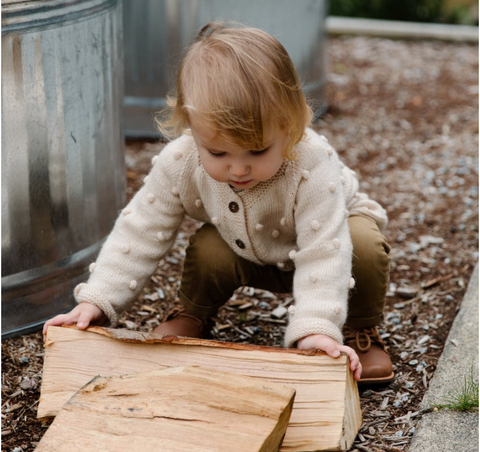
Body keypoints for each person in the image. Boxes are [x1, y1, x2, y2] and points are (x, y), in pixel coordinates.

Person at [43, 22, 393, 384]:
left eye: (257, 150)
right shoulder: (181, 162)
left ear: (289, 126)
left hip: (335, 246)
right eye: (218, 151)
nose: (238, 167)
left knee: (362, 246)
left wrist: (316, 330)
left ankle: (359, 330)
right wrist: (97, 301)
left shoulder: (311, 162)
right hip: (248, 250)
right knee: (208, 246)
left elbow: (325, 252)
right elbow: (140, 231)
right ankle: (194, 313)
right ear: (190, 125)